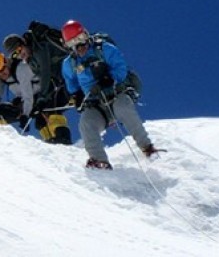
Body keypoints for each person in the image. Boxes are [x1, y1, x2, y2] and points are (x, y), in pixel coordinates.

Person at [60, 20, 158, 169]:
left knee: (123, 108)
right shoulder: (70, 64)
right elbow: (71, 84)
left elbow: (121, 68)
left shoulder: (104, 49)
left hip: (117, 94)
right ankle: (99, 160)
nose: (78, 46)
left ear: (85, 35)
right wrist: (77, 96)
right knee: (86, 123)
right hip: (96, 104)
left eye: (80, 39)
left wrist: (109, 78)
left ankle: (147, 147)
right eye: (72, 43)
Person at [0, 48, 72, 144]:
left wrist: (25, 115)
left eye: (3, 70)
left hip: (47, 91)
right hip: (29, 98)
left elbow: (28, 95)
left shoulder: (21, 69)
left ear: (6, 62)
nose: (2, 74)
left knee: (50, 113)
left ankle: (62, 139)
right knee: (6, 112)